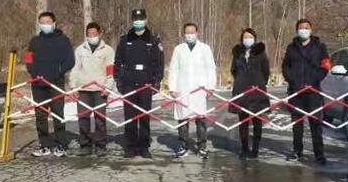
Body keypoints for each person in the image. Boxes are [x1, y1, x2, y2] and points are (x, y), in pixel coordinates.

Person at [114, 9, 164, 158]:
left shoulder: (153, 40)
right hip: (128, 84)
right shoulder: (125, 40)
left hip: (146, 84)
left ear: (146, 20)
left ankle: (143, 146)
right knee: (129, 117)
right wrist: (118, 80)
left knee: (144, 116)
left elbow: (159, 63)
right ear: (132, 20)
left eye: (141, 18)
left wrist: (156, 81)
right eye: (135, 19)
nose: (138, 21)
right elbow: (118, 62)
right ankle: (130, 146)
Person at [24, 11, 75, 157]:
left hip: (56, 83)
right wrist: (33, 72)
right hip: (38, 84)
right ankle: (44, 144)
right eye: (42, 22)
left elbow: (70, 60)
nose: (45, 25)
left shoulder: (63, 40)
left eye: (48, 22)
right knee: (40, 115)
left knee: (58, 114)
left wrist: (58, 71)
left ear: (54, 23)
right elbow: (28, 59)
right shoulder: (34, 41)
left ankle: (61, 144)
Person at [281, 18, 331, 165]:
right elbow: (285, 66)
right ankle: (297, 151)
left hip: (313, 91)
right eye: (301, 28)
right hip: (296, 91)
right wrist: (292, 80)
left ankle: (319, 154)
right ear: (297, 30)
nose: (304, 30)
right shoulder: (291, 47)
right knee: (297, 124)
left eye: (306, 27)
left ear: (311, 29)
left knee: (316, 124)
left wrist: (315, 79)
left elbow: (325, 65)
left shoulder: (320, 47)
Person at [168, 23, 217, 159]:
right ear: (184, 34)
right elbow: (173, 69)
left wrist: (211, 86)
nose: (190, 35)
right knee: (183, 119)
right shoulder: (179, 49)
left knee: (200, 119)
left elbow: (211, 68)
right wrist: (172, 88)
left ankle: (202, 147)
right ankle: (183, 146)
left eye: (192, 32)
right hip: (182, 88)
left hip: (199, 89)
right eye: (187, 33)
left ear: (197, 33)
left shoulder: (205, 48)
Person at [69, 22, 115, 157]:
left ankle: (101, 145)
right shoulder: (80, 50)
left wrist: (108, 87)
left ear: (100, 34)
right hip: (83, 89)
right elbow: (75, 68)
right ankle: (85, 145)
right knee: (83, 118)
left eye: (94, 34)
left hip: (100, 89)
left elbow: (110, 70)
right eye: (89, 34)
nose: (92, 36)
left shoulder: (108, 50)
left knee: (100, 119)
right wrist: (73, 86)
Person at [229, 28, 270, 159]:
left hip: (257, 90)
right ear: (242, 39)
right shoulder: (237, 53)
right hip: (241, 90)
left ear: (254, 38)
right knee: (243, 121)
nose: (248, 39)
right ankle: (244, 148)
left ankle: (255, 149)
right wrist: (240, 80)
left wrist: (259, 82)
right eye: (245, 37)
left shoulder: (260, 53)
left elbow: (266, 71)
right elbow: (233, 70)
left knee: (257, 121)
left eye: (250, 37)